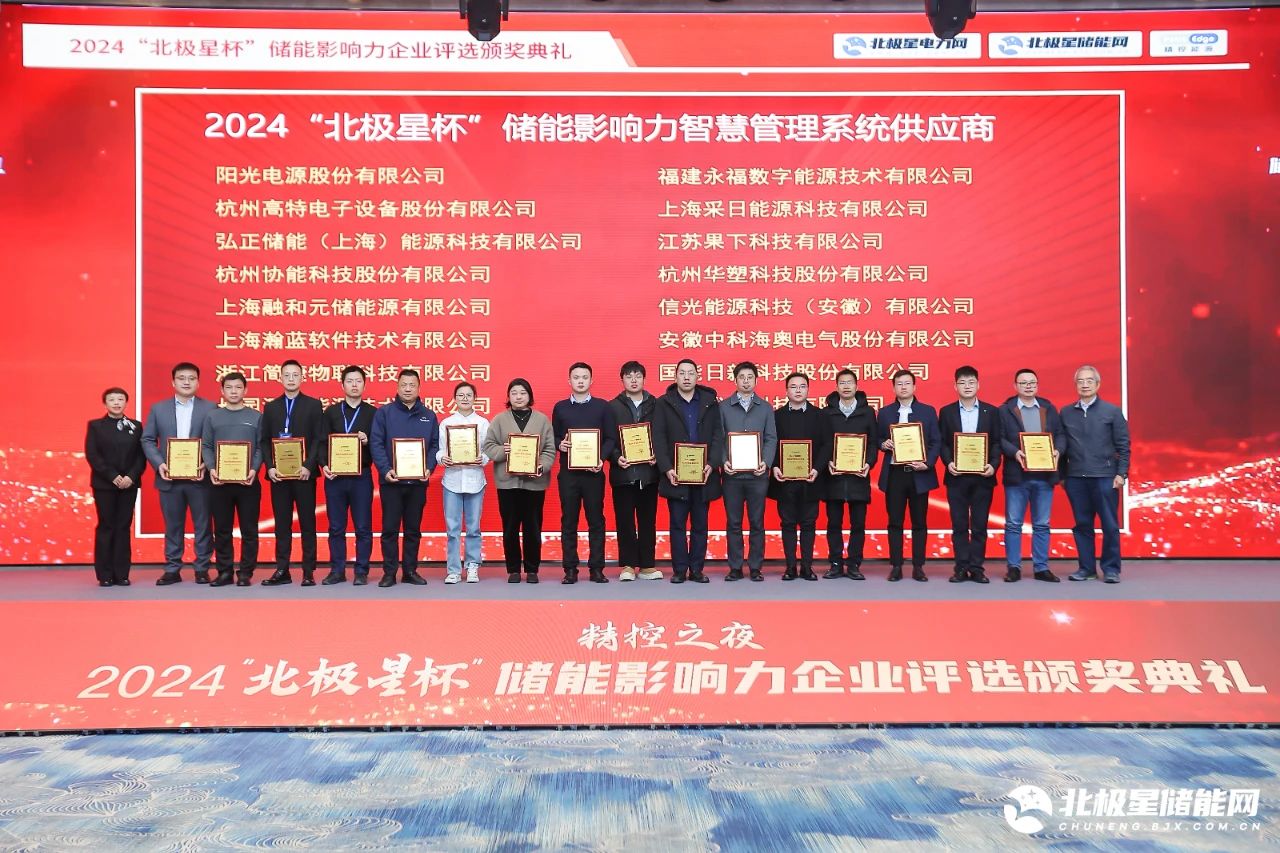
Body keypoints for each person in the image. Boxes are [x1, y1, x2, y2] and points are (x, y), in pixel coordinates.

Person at [141, 362, 216, 585]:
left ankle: (202, 568)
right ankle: (172, 568)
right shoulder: (158, 409)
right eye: (182, 378)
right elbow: (147, 439)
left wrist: (206, 463)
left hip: (199, 477)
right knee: (173, 525)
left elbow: (216, 441)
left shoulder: (210, 408)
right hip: (169, 477)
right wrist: (159, 464)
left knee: (203, 525)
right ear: (173, 382)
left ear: (198, 382)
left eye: (191, 378)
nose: (186, 382)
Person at [652, 358, 724, 584]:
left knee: (700, 525)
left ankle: (697, 570)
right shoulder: (664, 403)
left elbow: (718, 435)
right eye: (682, 373)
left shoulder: (710, 402)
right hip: (676, 474)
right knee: (677, 524)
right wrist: (667, 468)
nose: (686, 377)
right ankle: (680, 570)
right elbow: (658, 437)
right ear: (675, 377)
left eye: (690, 373)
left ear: (697, 376)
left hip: (704, 473)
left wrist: (712, 463)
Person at [1061, 365, 1131, 584]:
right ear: (1075, 385)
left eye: (1089, 381)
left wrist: (1121, 474)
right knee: (1082, 525)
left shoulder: (1112, 411)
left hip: (1105, 477)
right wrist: (1062, 476)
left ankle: (1111, 569)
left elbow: (1124, 446)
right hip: (1076, 478)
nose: (1085, 385)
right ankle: (1086, 568)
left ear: (1098, 384)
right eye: (1080, 381)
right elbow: (1061, 446)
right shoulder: (1066, 412)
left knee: (1109, 525)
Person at [370, 368, 440, 587]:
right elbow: (376, 443)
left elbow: (435, 446)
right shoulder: (384, 413)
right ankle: (389, 572)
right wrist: (385, 469)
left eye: (412, 385)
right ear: (397, 387)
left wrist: (429, 467)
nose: (408, 389)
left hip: (418, 483)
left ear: (419, 388)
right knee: (390, 529)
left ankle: (410, 571)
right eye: (404, 385)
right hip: (391, 482)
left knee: (413, 529)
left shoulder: (429, 415)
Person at [258, 359, 324, 587]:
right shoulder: (271, 407)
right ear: (280, 378)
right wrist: (270, 466)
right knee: (282, 524)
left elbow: (318, 439)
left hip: (304, 474)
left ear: (302, 378)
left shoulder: (313, 405)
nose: (291, 379)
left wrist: (309, 465)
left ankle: (308, 571)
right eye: (287, 375)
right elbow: (264, 440)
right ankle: (282, 569)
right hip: (279, 476)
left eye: (295, 375)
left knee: (307, 523)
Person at [483, 378, 556, 583]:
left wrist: (541, 466)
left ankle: (532, 569)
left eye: (523, 392)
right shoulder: (499, 420)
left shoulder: (542, 420)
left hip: (535, 484)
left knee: (533, 527)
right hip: (507, 483)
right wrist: (503, 450)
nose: (518, 396)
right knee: (510, 528)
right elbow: (488, 446)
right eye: (514, 393)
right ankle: (513, 569)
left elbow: (549, 449)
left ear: (529, 396)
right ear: (508, 396)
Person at [552, 362, 618, 584]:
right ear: (569, 380)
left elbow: (610, 438)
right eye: (576, 377)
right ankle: (570, 569)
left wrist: (601, 458)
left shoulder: (603, 407)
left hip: (594, 473)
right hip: (568, 475)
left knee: (596, 521)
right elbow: (554, 436)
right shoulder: (560, 407)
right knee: (569, 521)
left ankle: (596, 568)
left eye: (584, 377)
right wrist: (560, 444)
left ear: (591, 380)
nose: (580, 381)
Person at [998, 368, 1067, 583]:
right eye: (1023, 383)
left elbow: (1060, 435)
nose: (1028, 386)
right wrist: (1014, 452)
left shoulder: (1048, 408)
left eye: (1032, 383)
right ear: (1015, 386)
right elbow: (999, 438)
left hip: (1044, 475)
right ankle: (1014, 567)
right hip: (1017, 476)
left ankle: (1041, 567)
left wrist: (1058, 450)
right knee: (1013, 523)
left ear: (1037, 385)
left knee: (1042, 524)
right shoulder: (1005, 410)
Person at [938, 366, 1002, 584]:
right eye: (962, 382)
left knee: (979, 525)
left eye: (971, 382)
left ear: (978, 385)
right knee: (959, 525)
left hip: (983, 477)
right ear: (955, 386)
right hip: (956, 477)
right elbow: (943, 443)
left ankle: (976, 568)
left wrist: (993, 465)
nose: (967, 386)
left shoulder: (991, 411)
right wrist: (948, 462)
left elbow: (996, 443)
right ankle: (960, 568)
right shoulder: (946, 412)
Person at [876, 369, 942, 582]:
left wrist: (927, 463)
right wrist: (883, 444)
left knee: (919, 522)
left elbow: (936, 441)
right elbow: (877, 438)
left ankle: (918, 566)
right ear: (893, 388)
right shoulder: (885, 413)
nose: (903, 387)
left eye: (907, 383)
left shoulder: (928, 411)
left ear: (914, 386)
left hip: (918, 474)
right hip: (895, 474)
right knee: (895, 521)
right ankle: (896, 566)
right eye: (899, 384)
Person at [201, 372, 263, 587]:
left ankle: (245, 572)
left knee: (249, 530)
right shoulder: (213, 417)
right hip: (220, 483)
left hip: (248, 482)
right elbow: (206, 446)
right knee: (222, 530)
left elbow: (261, 447)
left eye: (238, 387)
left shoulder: (256, 416)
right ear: (222, 391)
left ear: (245, 390)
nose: (234, 391)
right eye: (229, 387)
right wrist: (211, 468)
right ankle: (224, 572)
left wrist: (254, 469)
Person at [318, 365, 377, 586]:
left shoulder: (373, 413)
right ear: (342, 385)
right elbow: (321, 442)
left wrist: (367, 441)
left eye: (358, 381)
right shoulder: (331, 412)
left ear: (364, 385)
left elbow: (380, 446)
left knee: (363, 527)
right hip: (335, 478)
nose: (354, 385)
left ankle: (361, 571)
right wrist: (324, 465)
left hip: (361, 477)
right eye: (350, 381)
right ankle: (337, 570)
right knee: (336, 527)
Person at [719, 361, 777, 582]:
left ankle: (755, 567)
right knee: (733, 523)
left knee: (757, 522)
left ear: (756, 380)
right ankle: (735, 567)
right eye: (741, 377)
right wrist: (723, 461)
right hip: (732, 476)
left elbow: (771, 438)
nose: (746, 381)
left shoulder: (765, 408)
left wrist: (766, 462)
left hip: (757, 476)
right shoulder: (723, 407)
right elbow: (719, 438)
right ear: (735, 380)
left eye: (750, 377)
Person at [769, 372, 829, 581]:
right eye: (793, 387)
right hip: (784, 480)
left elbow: (826, 445)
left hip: (810, 479)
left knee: (808, 523)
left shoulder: (819, 415)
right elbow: (770, 444)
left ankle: (807, 567)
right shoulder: (776, 416)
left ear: (808, 389)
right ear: (786, 391)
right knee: (787, 523)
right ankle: (790, 567)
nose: (798, 390)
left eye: (802, 386)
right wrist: (774, 466)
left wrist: (817, 469)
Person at [85, 386, 145, 587]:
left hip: (129, 484)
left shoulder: (136, 426)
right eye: (112, 399)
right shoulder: (95, 426)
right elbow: (93, 455)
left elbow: (140, 456)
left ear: (126, 402)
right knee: (106, 526)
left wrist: (130, 476)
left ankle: (122, 574)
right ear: (105, 403)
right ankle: (105, 574)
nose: (117, 403)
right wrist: (113, 476)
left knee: (123, 527)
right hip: (104, 485)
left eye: (120, 399)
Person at [821, 369, 878, 580]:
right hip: (833, 477)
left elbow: (872, 443)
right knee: (833, 523)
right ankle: (836, 563)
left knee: (858, 524)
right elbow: (823, 443)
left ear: (856, 386)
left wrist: (868, 463)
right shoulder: (826, 413)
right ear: (836, 387)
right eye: (842, 383)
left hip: (858, 477)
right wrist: (827, 461)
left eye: (850, 382)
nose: (846, 386)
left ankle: (854, 564)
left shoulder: (868, 412)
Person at [608, 361, 661, 581]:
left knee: (648, 521)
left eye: (637, 375)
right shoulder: (612, 407)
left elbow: (662, 434)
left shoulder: (657, 404)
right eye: (629, 376)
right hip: (623, 474)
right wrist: (615, 457)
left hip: (649, 474)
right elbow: (607, 438)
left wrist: (658, 455)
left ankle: (647, 565)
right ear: (622, 380)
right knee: (625, 521)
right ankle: (628, 566)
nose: (633, 380)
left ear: (644, 379)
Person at [438, 381, 490, 585]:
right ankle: (453, 570)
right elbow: (440, 450)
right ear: (455, 399)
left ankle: (472, 566)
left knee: (473, 527)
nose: (465, 398)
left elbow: (488, 450)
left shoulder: (483, 423)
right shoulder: (446, 423)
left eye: (469, 395)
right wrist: (442, 458)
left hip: (475, 480)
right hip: (451, 481)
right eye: (461, 395)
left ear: (475, 398)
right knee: (452, 529)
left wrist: (482, 458)